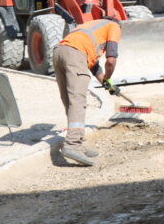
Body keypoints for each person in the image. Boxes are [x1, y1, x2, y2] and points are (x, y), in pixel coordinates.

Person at [52, 17, 122, 166]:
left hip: (59, 52)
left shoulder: (88, 27)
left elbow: (94, 66)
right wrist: (109, 79)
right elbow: (110, 61)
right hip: (76, 56)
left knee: (70, 101)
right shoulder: (114, 26)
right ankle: (72, 145)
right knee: (78, 101)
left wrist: (107, 84)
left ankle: (79, 142)